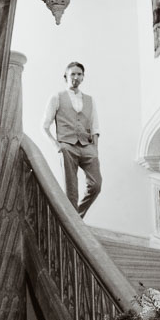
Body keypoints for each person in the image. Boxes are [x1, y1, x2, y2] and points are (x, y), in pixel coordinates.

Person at [41, 61, 102, 217]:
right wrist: (57, 146)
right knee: (71, 190)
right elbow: (44, 126)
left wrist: (95, 150)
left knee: (96, 185)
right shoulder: (57, 97)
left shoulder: (90, 100)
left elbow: (95, 127)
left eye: (79, 74)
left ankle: (77, 218)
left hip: (87, 146)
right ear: (65, 77)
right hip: (67, 146)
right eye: (72, 74)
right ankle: (73, 223)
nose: (76, 77)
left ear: (83, 77)